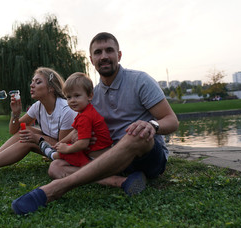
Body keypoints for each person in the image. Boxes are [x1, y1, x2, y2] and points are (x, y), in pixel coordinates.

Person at [11, 32, 179, 215]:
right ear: (92, 59)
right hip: (112, 157)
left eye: (109, 50)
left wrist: (152, 125)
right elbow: (83, 128)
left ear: (119, 55)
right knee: (55, 166)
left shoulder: (140, 81)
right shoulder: (92, 95)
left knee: (135, 133)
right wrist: (74, 139)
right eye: (98, 52)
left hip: (147, 155)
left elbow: (172, 121)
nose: (104, 56)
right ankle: (122, 181)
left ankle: (54, 189)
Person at [38, 72, 113, 168]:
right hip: (97, 154)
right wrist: (61, 143)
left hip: (96, 158)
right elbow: (75, 131)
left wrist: (66, 149)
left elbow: (83, 144)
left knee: (67, 153)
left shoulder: (85, 117)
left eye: (77, 96)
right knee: (68, 147)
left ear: (90, 96)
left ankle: (52, 155)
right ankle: (56, 152)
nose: (72, 100)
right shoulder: (85, 111)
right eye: (69, 97)